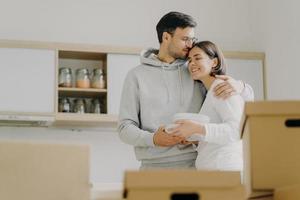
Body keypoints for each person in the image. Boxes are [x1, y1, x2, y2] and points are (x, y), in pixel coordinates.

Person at [118, 11, 253, 169]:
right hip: (152, 167)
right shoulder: (136, 76)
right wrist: (153, 138)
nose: (190, 45)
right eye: (185, 39)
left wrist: (241, 86)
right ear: (166, 37)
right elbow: (124, 128)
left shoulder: (195, 71)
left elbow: (239, 101)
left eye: (192, 39)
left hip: (194, 166)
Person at [168, 41, 244, 171]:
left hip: (224, 169)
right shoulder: (210, 92)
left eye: (197, 58)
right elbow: (218, 133)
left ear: (214, 62)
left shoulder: (221, 88)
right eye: (190, 60)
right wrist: (194, 137)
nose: (191, 64)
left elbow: (237, 131)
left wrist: (197, 128)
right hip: (215, 170)